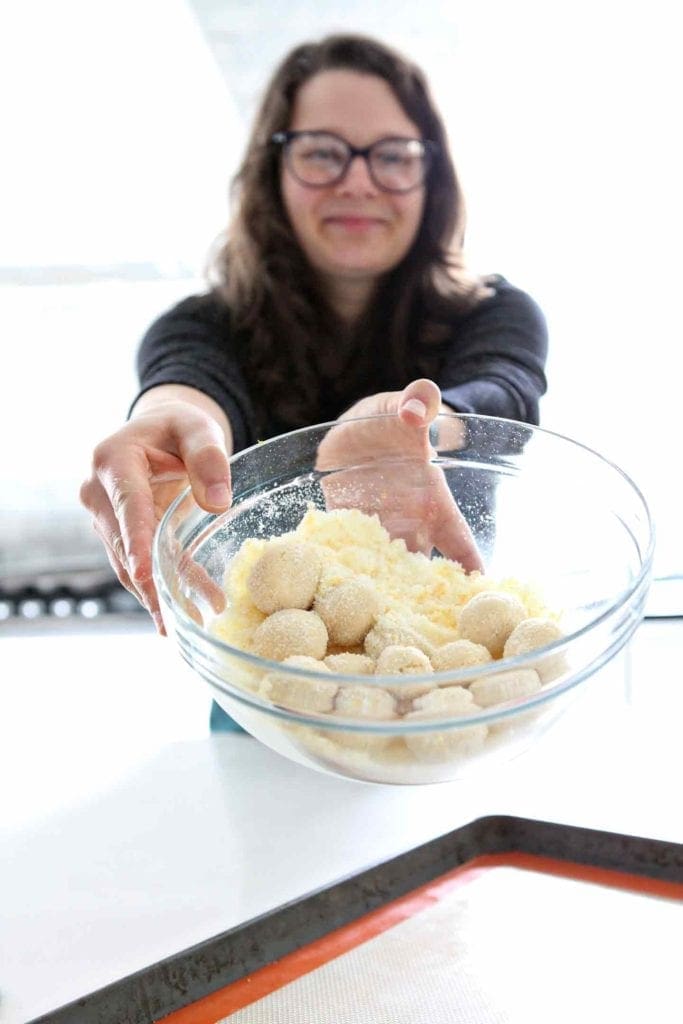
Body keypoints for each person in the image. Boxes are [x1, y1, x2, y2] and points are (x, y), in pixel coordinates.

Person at [80, 34, 548, 722]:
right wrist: (173, 424)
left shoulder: (496, 312)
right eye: (323, 152)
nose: (357, 181)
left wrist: (418, 421)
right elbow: (187, 382)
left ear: (431, 178)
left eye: (391, 156)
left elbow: (502, 393)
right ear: (273, 171)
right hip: (269, 685)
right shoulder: (206, 323)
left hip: (452, 680)